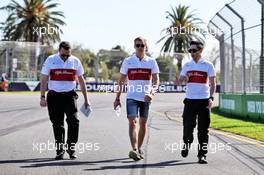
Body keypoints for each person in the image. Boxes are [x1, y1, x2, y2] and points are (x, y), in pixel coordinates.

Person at [40, 41, 91, 160]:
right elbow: (43, 79)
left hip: (69, 96)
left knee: (74, 121)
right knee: (58, 124)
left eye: (68, 55)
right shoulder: (50, 60)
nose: (65, 57)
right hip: (54, 96)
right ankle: (60, 150)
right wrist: (42, 97)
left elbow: (81, 80)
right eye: (63, 55)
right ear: (59, 51)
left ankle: (71, 147)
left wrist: (86, 99)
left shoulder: (75, 61)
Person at [113, 37, 160, 161]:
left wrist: (152, 93)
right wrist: (117, 98)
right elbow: (121, 80)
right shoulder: (128, 61)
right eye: (137, 45)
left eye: (142, 45)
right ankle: (134, 149)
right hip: (132, 97)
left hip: (145, 97)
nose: (140, 47)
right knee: (132, 121)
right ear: (134, 47)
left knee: (143, 123)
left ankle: (139, 148)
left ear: (146, 47)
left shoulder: (151, 61)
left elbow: (156, 80)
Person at [177, 41, 216, 164]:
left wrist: (211, 98)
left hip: (204, 101)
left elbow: (213, 83)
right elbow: (181, 80)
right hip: (189, 101)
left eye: (194, 50)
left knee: (203, 130)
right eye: (190, 51)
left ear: (201, 50)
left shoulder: (208, 65)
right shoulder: (187, 65)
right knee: (188, 127)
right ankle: (187, 144)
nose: (192, 53)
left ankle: (202, 155)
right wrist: (181, 79)